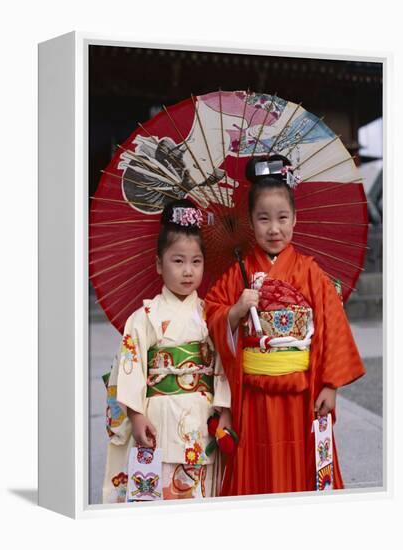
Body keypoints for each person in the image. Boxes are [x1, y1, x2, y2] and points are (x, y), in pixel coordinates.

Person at [205, 154, 365, 496]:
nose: (273, 228)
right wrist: (235, 310)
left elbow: (332, 327)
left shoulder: (310, 272)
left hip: (302, 392)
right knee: (257, 465)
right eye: (263, 219)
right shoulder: (239, 273)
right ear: (250, 221)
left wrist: (331, 385)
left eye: (282, 218)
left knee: (302, 463)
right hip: (254, 395)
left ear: (295, 219)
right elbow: (211, 314)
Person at [102, 199, 231, 503]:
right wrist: (135, 416)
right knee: (157, 492)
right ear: (159, 263)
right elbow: (130, 368)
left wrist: (224, 410)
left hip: (201, 419)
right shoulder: (143, 318)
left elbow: (223, 364)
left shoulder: (210, 314)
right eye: (178, 261)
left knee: (199, 494)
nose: (188, 271)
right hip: (156, 418)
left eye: (196, 261)